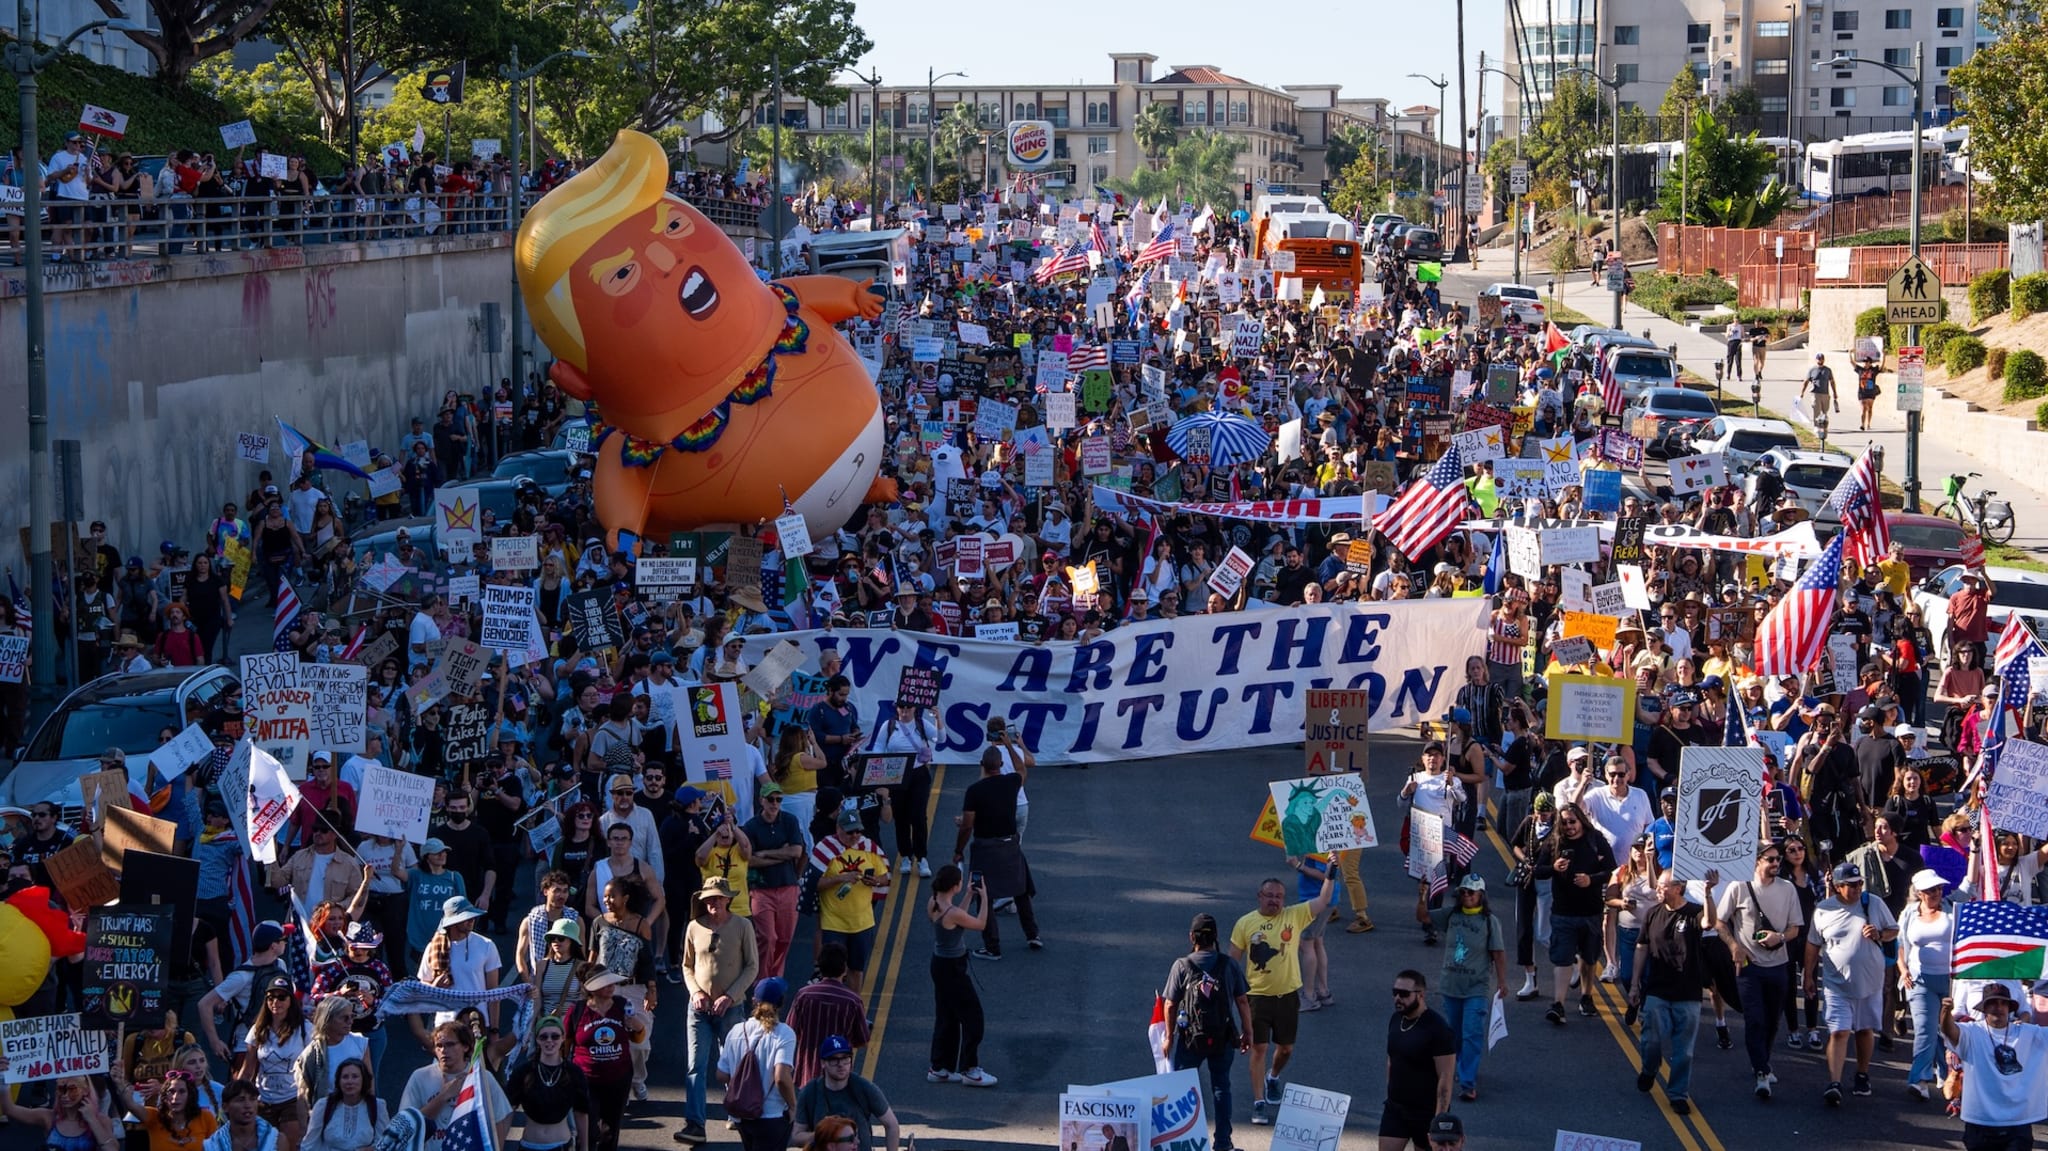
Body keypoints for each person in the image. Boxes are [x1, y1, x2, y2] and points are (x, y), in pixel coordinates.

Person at [1229, 870, 1335, 1126]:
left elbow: (1323, 902)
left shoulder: (1294, 916)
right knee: (1259, 1049)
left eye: (1279, 896)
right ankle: (1258, 1103)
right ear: (1259, 897)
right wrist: (1232, 995)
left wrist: (1331, 874)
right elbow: (1233, 961)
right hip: (1256, 997)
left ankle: (1273, 1077)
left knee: (1286, 1048)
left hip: (1287, 996)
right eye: (1269, 896)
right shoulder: (1245, 923)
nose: (1274, 900)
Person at [1805, 861, 1900, 1106]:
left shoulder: (1874, 903)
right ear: (1837, 887)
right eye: (1851, 885)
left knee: (1865, 1030)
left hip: (1870, 983)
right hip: (1837, 984)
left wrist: (1879, 934)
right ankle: (1834, 1082)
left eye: (1859, 883)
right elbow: (1814, 944)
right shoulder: (1824, 910)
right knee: (1839, 1031)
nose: (1857, 888)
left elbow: (1893, 929)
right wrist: (1808, 976)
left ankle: (1862, 1073)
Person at [1629, 869, 1720, 1115]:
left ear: (1678, 888)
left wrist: (1709, 894)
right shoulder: (1652, 914)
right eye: (1658, 885)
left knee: (1684, 1050)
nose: (1658, 889)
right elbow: (1641, 948)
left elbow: (1709, 923)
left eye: (1663, 886)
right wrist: (1635, 984)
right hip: (1657, 988)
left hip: (1687, 992)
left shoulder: (1693, 913)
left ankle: (1678, 1093)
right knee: (1651, 1040)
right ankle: (1649, 1069)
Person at [1719, 842, 1805, 1100]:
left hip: (1778, 966)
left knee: (1771, 1020)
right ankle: (1761, 1073)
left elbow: (1795, 928)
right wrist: (1734, 946)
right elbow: (1720, 921)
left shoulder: (1787, 889)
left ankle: (1763, 1062)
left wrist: (1779, 937)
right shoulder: (1739, 887)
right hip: (1748, 968)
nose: (1776, 864)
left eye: (1778, 859)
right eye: (1770, 860)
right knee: (1754, 1019)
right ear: (1757, 861)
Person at [678, 877, 758, 1146]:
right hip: (699, 1009)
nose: (714, 902)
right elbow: (687, 966)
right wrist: (696, 992)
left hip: (731, 1008)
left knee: (733, 1062)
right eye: (709, 898)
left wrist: (730, 996)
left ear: (728, 900)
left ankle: (736, 1113)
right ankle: (695, 1123)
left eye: (719, 898)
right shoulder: (694, 927)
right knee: (695, 1065)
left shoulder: (742, 926)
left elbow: (752, 967)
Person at [1164, 912, 1252, 1151]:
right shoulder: (1229, 964)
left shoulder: (1182, 965)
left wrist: (1169, 1037)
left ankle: (1183, 1143)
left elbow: (1170, 1004)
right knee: (1221, 1087)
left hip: (1190, 1039)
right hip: (1222, 1038)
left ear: (1192, 936)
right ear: (1215, 938)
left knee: (1182, 1089)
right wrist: (1248, 1032)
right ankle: (1223, 1143)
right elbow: (1242, 1001)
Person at [951, 747, 1039, 959]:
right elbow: (1022, 769)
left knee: (984, 896)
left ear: (981, 764)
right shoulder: (1011, 783)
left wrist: (958, 850)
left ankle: (992, 947)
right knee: (1021, 890)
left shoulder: (975, 791)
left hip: (985, 848)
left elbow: (968, 826)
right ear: (1000, 765)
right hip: (1010, 845)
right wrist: (1009, 745)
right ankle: (1032, 935)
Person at [1940, 983, 2048, 1150]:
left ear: (2010, 1008)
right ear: (1984, 1008)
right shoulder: (1972, 1032)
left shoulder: (2027, 1033)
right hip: (1980, 1123)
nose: (1999, 1007)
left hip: (2017, 1124)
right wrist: (1946, 1011)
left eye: (2003, 1003)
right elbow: (1949, 1031)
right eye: (1993, 1003)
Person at [1429, 875, 1507, 1103]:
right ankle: (1459, 1067)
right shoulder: (1451, 915)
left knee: (1472, 1033)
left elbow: (1498, 954)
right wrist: (1424, 894)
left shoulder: (1490, 921)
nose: (1467, 896)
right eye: (1463, 892)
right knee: (1454, 1034)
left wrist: (1502, 982)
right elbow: (1423, 917)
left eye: (1471, 893)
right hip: (1451, 985)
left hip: (1476, 987)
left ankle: (1467, 1083)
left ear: (1481, 895)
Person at [1544, 801, 1616, 1025]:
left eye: (1572, 822)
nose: (1569, 827)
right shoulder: (1553, 842)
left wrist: (1590, 880)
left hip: (1591, 911)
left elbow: (1610, 869)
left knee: (1589, 957)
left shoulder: (1596, 840)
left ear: (1581, 821)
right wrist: (1554, 867)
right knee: (1563, 959)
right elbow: (1537, 870)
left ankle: (1586, 996)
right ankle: (1559, 1003)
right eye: (1564, 823)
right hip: (1563, 912)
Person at [925, 865, 996, 1088]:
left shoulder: (935, 903)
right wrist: (984, 898)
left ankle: (939, 1067)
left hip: (940, 964)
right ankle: (970, 1069)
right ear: (954, 886)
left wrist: (968, 894)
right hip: (953, 969)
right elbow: (980, 923)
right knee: (973, 1017)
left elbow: (958, 918)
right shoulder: (952, 913)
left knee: (947, 1015)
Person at [397, 1021, 512, 1151]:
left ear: (466, 1047)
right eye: (439, 1046)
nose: (443, 1050)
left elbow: (501, 1117)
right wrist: (444, 1096)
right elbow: (406, 1124)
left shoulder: (482, 1078)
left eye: (450, 1045)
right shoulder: (420, 1077)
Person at [716, 977, 798, 1151]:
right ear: (781, 1002)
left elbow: (721, 1074)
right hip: (772, 1117)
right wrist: (792, 1106)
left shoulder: (737, 1031)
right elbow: (781, 1077)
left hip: (742, 1115)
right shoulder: (785, 1034)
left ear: (754, 1001)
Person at [564, 970, 642, 1151]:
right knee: (588, 1130)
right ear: (592, 988)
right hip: (585, 1080)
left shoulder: (622, 1005)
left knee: (610, 1130)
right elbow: (565, 1044)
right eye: (605, 984)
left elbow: (637, 1037)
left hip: (618, 1078)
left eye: (612, 984)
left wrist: (637, 1026)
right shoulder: (577, 1011)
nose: (611, 987)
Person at [1378, 969, 1455, 1151]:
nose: (1398, 998)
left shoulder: (1438, 1029)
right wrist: (1390, 1093)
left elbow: (1445, 1077)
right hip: (1396, 1109)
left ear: (1420, 995)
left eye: (1404, 994)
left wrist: (1439, 1120)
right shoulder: (1396, 1020)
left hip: (1426, 1113)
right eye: (1394, 993)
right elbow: (1392, 1059)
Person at [1899, 869, 1953, 1101]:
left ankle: (1946, 1072)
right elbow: (1900, 943)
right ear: (1920, 893)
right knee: (1925, 1030)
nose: (1937, 893)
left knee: (1946, 1030)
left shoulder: (1952, 908)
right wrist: (1903, 969)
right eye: (1931, 890)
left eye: (1939, 888)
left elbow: (1971, 885)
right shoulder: (1909, 913)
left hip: (1951, 982)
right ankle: (1919, 1080)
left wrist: (1974, 849)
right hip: (1920, 981)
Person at [792, 1035, 900, 1151]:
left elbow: (891, 1124)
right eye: (834, 1059)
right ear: (823, 1063)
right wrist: (824, 1134)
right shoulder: (810, 1092)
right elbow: (797, 1136)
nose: (841, 1064)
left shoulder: (864, 1088)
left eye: (845, 1058)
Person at [787, 944, 870, 1089]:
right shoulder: (853, 1001)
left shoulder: (804, 995)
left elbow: (790, 1031)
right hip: (839, 1077)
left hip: (808, 1073)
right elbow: (862, 1039)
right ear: (844, 969)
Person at [504, 1016, 591, 1151]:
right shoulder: (523, 1072)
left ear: (563, 1038)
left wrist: (585, 1147)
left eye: (555, 1036)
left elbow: (581, 1112)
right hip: (529, 1146)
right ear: (537, 1040)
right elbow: (509, 1111)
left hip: (561, 1145)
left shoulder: (574, 1072)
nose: (549, 1041)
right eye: (544, 1037)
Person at [106, 1061, 220, 1151]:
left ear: (191, 1095)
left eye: (182, 1091)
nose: (175, 1097)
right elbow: (131, 1105)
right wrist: (120, 1083)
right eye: (171, 1091)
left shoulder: (206, 1118)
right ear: (164, 1096)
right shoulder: (155, 1117)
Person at [297, 1059, 385, 1151]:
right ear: (338, 1081)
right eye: (345, 1077)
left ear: (364, 1080)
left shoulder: (377, 1106)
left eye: (355, 1077)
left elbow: (385, 1144)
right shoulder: (324, 1106)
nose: (349, 1081)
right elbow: (309, 1145)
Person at [204, 1081, 280, 1151]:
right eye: (241, 1100)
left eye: (252, 1099)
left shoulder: (276, 1140)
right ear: (225, 1107)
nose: (248, 1105)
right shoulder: (212, 1146)